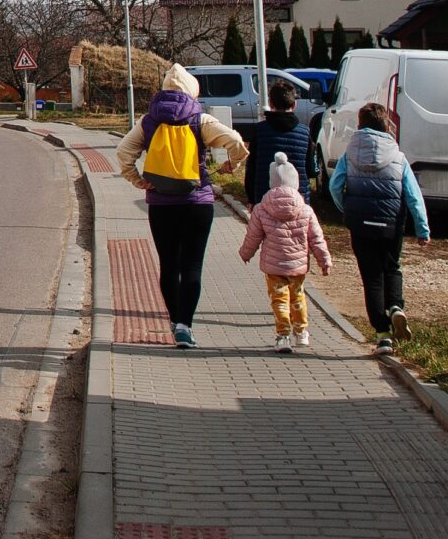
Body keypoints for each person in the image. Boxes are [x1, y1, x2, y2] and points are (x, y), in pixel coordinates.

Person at [116, 68, 248, 348]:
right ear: (193, 91)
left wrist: (137, 180)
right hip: (197, 201)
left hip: (161, 203)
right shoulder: (201, 119)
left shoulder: (149, 121)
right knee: (192, 266)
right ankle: (186, 326)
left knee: (168, 265)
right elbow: (236, 142)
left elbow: (124, 152)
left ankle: (175, 322)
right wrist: (231, 164)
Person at [329, 101, 430, 349]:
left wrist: (347, 208)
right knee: (392, 267)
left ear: (360, 125)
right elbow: (413, 195)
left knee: (372, 277)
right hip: (391, 222)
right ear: (386, 125)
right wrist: (422, 228)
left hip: (360, 224)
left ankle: (383, 334)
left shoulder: (349, 154)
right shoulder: (398, 156)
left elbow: (334, 186)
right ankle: (395, 306)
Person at [238, 151, 333, 352]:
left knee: (279, 299)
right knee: (297, 296)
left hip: (273, 266)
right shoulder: (305, 209)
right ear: (295, 182)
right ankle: (302, 332)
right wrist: (324, 261)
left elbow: (253, 236)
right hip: (298, 265)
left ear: (272, 182)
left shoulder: (262, 209)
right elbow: (316, 238)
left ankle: (283, 336)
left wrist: (246, 253)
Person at [239, 79, 311, 208]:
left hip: (264, 199)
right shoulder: (305, 132)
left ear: (271, 103)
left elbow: (251, 168)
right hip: (298, 200)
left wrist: (251, 198)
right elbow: (311, 169)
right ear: (294, 104)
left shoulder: (260, 130)